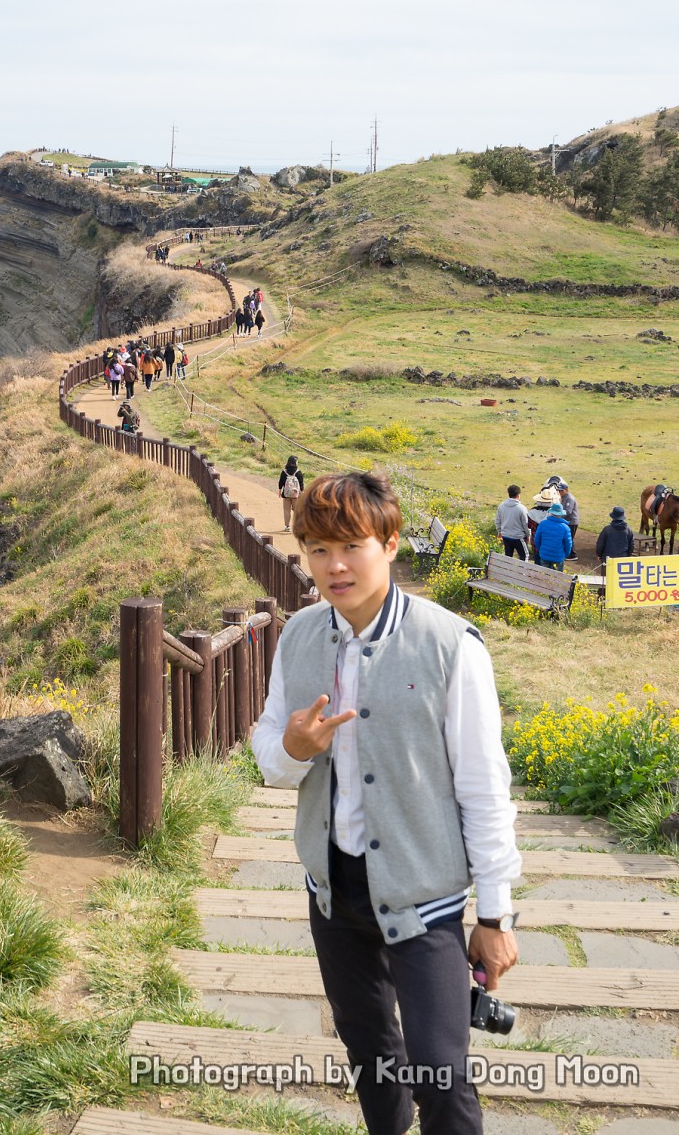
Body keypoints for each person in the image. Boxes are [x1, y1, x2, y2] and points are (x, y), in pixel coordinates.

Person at [252, 471, 519, 1135]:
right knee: (368, 1049)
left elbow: (484, 785)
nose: (333, 565)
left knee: (440, 1067)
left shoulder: (450, 644)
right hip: (332, 891)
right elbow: (270, 756)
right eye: (316, 548)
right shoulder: (299, 636)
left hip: (424, 899)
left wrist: (494, 911)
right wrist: (294, 746)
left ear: (391, 542)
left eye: (350, 544)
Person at [494, 485, 529, 560]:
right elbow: (525, 524)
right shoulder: (521, 508)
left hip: (506, 536)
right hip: (518, 537)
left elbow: (497, 521)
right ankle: (522, 572)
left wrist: (500, 532)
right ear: (518, 495)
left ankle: (507, 571)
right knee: (524, 556)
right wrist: (528, 535)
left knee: (508, 558)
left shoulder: (502, 506)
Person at [534, 503, 573, 570]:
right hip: (559, 556)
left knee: (544, 574)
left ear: (551, 513)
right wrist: (565, 554)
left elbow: (537, 539)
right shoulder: (565, 528)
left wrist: (541, 550)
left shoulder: (543, 524)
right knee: (558, 577)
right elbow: (568, 544)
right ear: (561, 514)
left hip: (544, 555)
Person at [277, 455, 304, 531]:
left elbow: (281, 482)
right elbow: (301, 485)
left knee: (286, 510)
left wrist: (279, 491)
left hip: (286, 495)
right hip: (296, 495)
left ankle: (287, 526)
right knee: (297, 511)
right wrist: (301, 493)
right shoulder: (298, 472)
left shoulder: (284, 472)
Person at [557, 481, 580, 561]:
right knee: (567, 537)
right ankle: (570, 553)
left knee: (569, 537)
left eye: (561, 490)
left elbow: (568, 511)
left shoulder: (569, 498)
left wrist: (558, 516)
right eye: (559, 490)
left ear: (566, 490)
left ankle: (572, 555)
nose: (560, 492)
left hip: (572, 521)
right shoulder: (563, 497)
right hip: (567, 521)